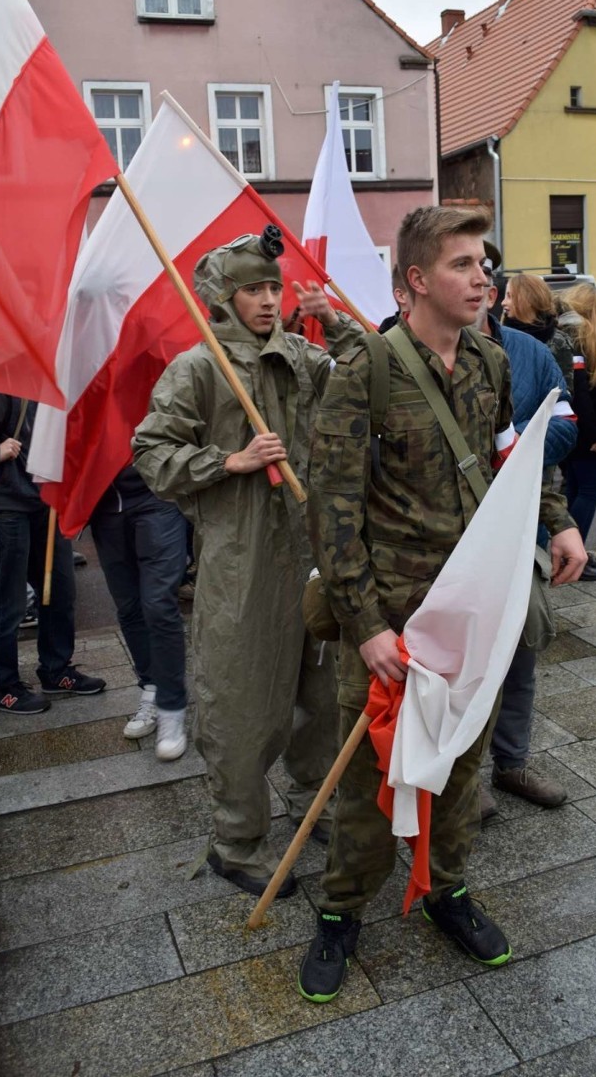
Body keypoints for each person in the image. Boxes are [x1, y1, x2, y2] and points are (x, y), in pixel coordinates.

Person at [298, 206, 587, 1004]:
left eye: (485, 265)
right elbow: (332, 513)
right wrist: (366, 629)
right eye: (463, 264)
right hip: (396, 621)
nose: (483, 277)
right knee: (368, 775)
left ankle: (444, 888)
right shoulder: (366, 371)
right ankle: (340, 909)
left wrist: (557, 523)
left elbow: (513, 460)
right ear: (417, 280)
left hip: (473, 612)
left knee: (462, 763)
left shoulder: (492, 364)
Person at [133, 228, 363, 897]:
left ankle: (317, 802)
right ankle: (236, 841)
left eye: (273, 287)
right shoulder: (199, 368)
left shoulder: (297, 351)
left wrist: (333, 322)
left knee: (321, 696)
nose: (268, 299)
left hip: (310, 550)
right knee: (243, 706)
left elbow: (363, 379)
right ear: (224, 298)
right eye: (253, 289)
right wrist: (227, 460)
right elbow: (151, 451)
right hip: (242, 568)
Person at [0, 302, 105, 714]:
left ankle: (57, 669)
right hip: (3, 500)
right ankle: (1, 687)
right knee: (7, 601)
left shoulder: (42, 363)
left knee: (60, 589)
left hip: (46, 498)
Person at [476, 268, 578, 809]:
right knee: (457, 665)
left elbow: (565, 425)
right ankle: (460, 779)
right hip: (449, 544)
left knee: (520, 656)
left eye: (484, 279)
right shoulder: (403, 351)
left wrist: (511, 440)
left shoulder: (529, 353)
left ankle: (511, 764)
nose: (477, 289)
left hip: (520, 531)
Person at [89, 462, 189, 760]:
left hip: (156, 495)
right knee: (129, 606)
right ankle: (151, 688)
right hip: (104, 502)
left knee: (158, 604)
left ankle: (172, 708)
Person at [557, 284, 596, 579]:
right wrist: (595, 435)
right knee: (590, 489)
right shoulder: (577, 336)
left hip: (572, 427)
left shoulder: (569, 332)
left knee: (573, 489)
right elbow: (583, 392)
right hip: (584, 428)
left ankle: (570, 552)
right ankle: (572, 556)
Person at [501, 273, 574, 392]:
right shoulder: (500, 337)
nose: (503, 302)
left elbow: (564, 391)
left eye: (509, 296)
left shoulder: (558, 342)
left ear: (528, 299)